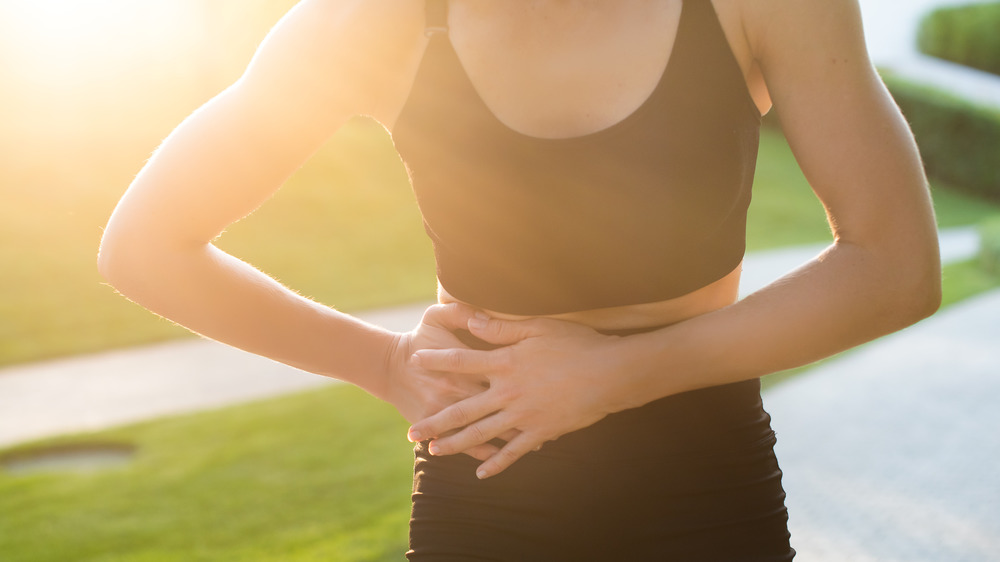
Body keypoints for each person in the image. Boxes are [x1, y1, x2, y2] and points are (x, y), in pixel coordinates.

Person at [98, 0, 941, 559]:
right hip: (491, 481)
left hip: (704, 482)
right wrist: (384, 365)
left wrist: (616, 373)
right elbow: (146, 245)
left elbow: (894, 265)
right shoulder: (373, 21)